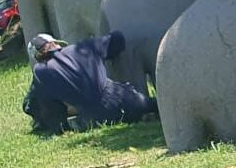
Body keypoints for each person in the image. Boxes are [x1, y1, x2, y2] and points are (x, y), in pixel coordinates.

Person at [22, 31, 157, 134]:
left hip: (92, 119)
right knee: (155, 104)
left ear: (37, 56)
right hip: (124, 100)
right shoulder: (80, 49)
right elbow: (117, 39)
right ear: (56, 44)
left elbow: (28, 106)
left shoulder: (40, 72)